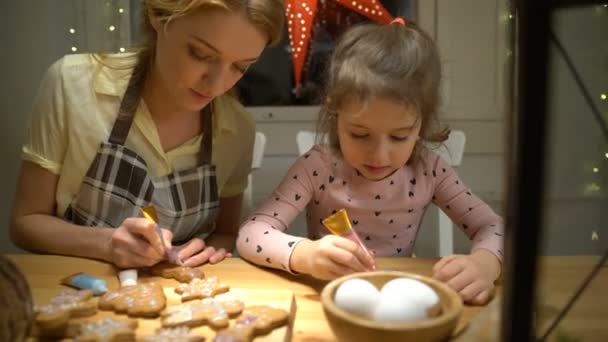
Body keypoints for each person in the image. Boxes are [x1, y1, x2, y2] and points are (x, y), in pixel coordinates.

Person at [237, 18, 504, 305]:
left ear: (421, 124)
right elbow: (251, 234)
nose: (379, 155)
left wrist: (485, 264)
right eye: (360, 134)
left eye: (400, 136)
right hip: (331, 300)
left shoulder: (430, 170)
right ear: (334, 113)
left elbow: (495, 227)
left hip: (399, 299)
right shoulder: (318, 167)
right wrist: (304, 255)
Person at [10, 0, 284, 269]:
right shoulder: (72, 85)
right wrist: (106, 244)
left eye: (240, 67)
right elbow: (25, 223)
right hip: (79, 289)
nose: (216, 84)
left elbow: (224, 233)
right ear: (156, 14)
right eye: (201, 54)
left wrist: (211, 250)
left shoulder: (236, 129)